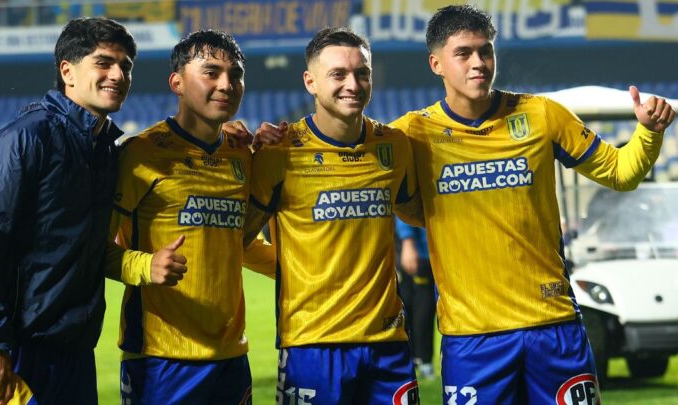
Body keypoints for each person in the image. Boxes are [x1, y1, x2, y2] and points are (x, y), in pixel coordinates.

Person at [389, 5, 676, 403]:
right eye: (463, 54)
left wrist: (648, 133)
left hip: (554, 325)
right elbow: (399, 203)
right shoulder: (411, 134)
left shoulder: (542, 115)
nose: (478, 63)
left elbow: (620, 173)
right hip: (473, 338)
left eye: (485, 51)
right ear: (436, 63)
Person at [0, 17, 146, 405]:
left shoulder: (108, 153)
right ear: (67, 71)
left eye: (126, 66)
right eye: (104, 63)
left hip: (74, 353)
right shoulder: (22, 141)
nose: (118, 75)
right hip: (11, 349)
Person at [242, 27, 424, 405]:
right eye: (338, 74)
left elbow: (423, 213)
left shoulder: (394, 146)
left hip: (388, 343)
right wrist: (289, 267)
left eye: (362, 73)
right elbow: (237, 238)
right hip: (312, 345)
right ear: (310, 81)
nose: (352, 85)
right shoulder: (279, 152)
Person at [109, 29, 274, 405]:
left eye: (235, 75)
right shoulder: (140, 154)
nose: (226, 84)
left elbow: (239, 242)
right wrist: (146, 265)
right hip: (161, 358)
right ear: (177, 83)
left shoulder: (242, 154)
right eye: (211, 72)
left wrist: (308, 269)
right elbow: (92, 249)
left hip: (231, 355)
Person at [394, 217, 436, 380]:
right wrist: (408, 242)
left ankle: (420, 360)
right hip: (418, 251)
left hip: (428, 250)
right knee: (418, 306)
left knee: (422, 305)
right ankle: (420, 360)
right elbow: (404, 210)